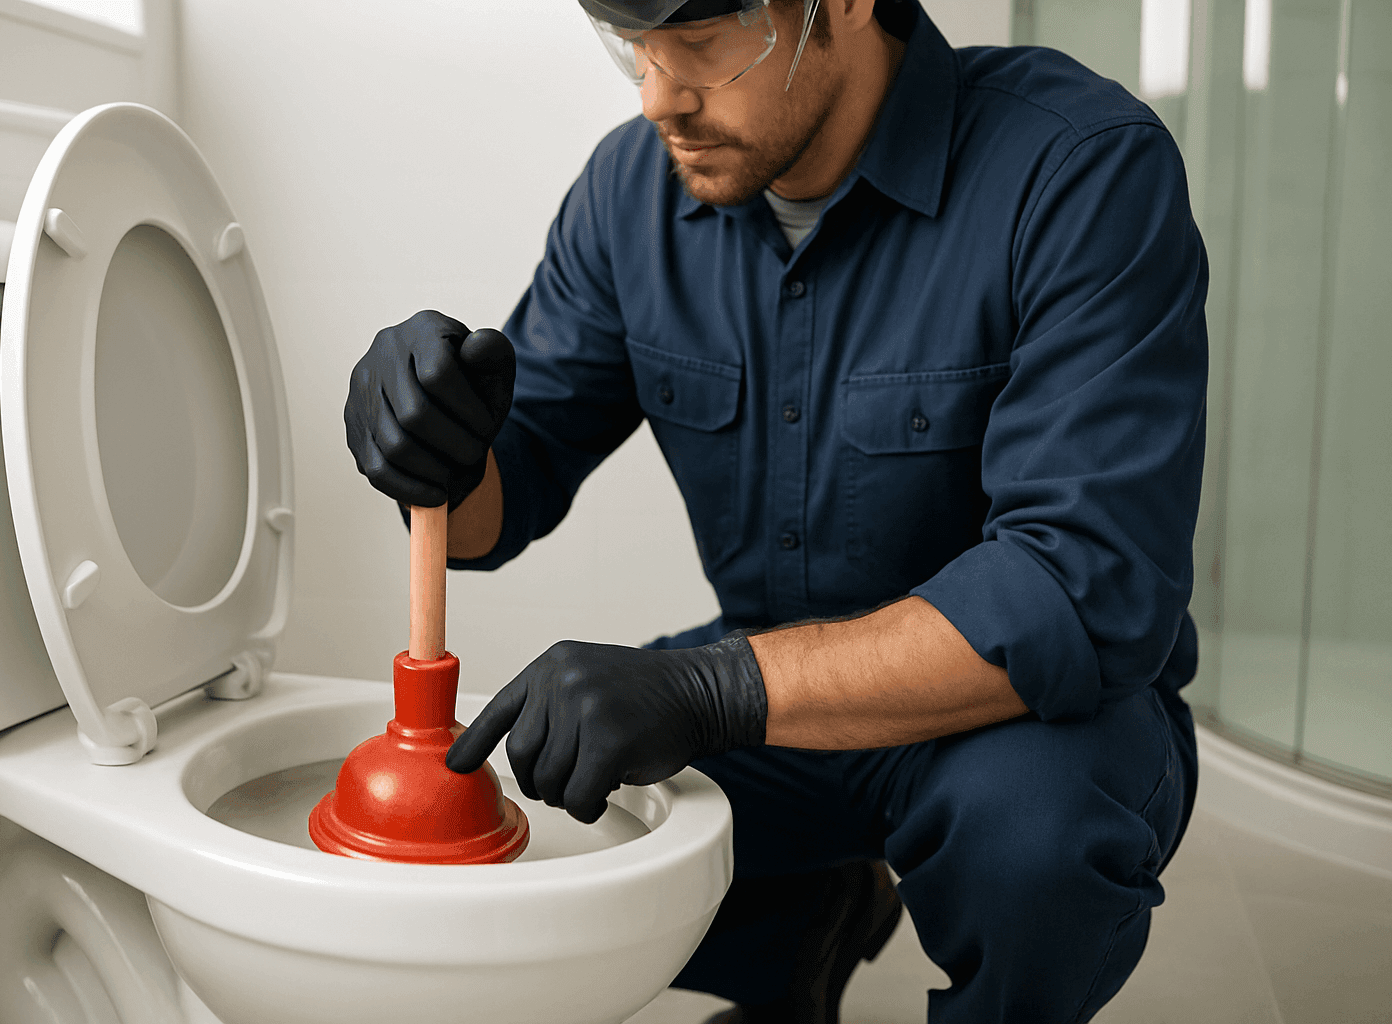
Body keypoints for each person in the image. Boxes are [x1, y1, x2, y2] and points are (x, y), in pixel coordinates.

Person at [343, 0, 1207, 1020]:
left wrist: (711, 689)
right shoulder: (631, 194)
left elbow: (1079, 586)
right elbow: (504, 496)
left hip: (1023, 720)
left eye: (701, 45)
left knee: (1032, 839)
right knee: (567, 806)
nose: (660, 96)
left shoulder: (1076, 168)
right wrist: (434, 450)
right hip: (777, 692)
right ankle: (799, 930)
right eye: (633, 49)